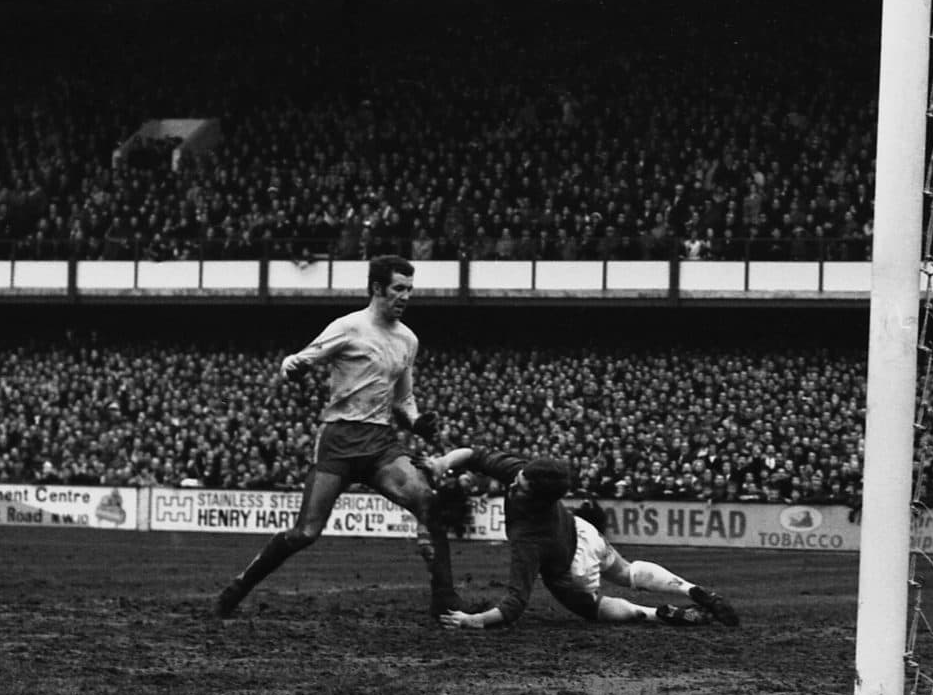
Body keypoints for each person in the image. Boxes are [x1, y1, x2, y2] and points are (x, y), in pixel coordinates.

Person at [211, 254, 459, 618]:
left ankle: (445, 601)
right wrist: (291, 368)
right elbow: (299, 360)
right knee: (306, 533)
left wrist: (417, 421)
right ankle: (238, 588)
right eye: (398, 289)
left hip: (380, 443)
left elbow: (404, 399)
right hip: (339, 439)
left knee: (427, 500)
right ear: (377, 289)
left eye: (409, 289)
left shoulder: (408, 340)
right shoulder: (348, 327)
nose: (405, 296)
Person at [422, 446, 738, 629]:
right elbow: (474, 455)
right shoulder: (526, 474)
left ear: (536, 497)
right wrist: (441, 463)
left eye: (521, 486)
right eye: (519, 478)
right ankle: (691, 589)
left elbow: (514, 603)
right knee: (627, 572)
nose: (513, 485)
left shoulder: (528, 536)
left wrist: (472, 621)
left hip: (574, 569)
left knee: (594, 609)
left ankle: (656, 614)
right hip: (584, 530)